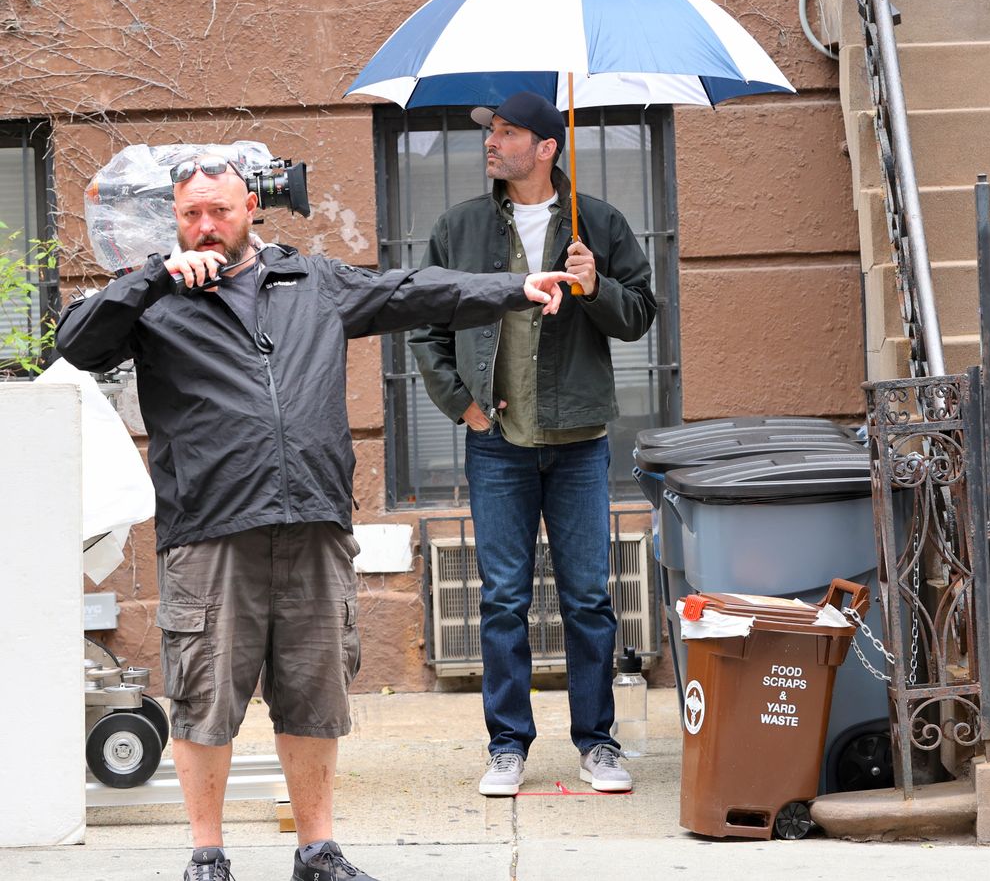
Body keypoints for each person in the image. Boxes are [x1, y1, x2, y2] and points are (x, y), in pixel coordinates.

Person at [55, 152, 577, 881]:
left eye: (220, 211)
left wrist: (516, 288)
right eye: (190, 215)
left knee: (314, 693)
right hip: (210, 531)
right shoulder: (155, 298)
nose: (206, 226)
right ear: (175, 220)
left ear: (250, 210)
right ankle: (207, 855)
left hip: (314, 523)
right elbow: (75, 344)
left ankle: (317, 850)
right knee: (204, 696)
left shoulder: (313, 281)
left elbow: (414, 291)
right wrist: (152, 277)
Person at [409, 92, 657, 798]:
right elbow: (425, 322)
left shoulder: (597, 224)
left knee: (587, 599)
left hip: (578, 441)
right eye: (492, 131)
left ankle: (598, 744)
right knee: (504, 601)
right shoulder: (459, 229)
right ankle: (507, 747)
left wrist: (594, 284)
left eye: (508, 132)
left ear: (547, 146)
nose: (493, 142)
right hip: (498, 446)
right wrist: (462, 406)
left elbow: (639, 315)